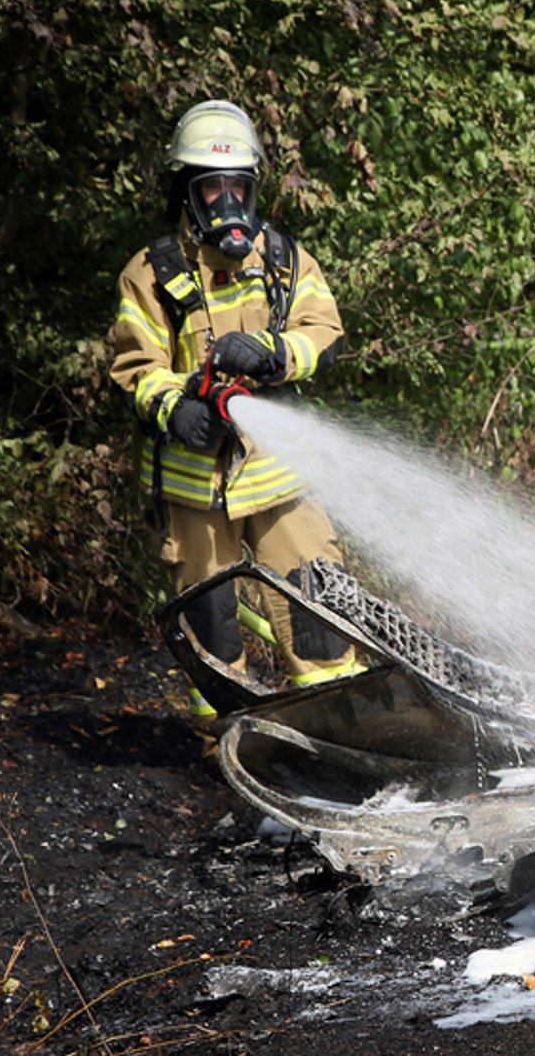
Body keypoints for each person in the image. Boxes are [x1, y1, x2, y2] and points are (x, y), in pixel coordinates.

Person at [109, 100, 361, 727]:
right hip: (195, 492)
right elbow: (134, 367)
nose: (228, 204)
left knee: (318, 615)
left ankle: (347, 737)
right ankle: (231, 746)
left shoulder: (283, 260)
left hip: (280, 478)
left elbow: (325, 334)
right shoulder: (152, 274)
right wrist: (176, 410)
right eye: (212, 188)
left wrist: (274, 353)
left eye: (238, 187)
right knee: (211, 626)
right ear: (186, 193)